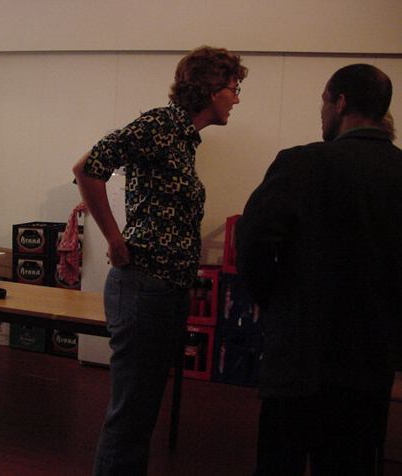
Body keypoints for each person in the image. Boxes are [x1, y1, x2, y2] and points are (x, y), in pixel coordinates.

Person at [72, 46, 248, 475]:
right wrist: (114, 238)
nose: (237, 98)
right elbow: (87, 168)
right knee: (130, 417)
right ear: (210, 88)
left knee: (141, 413)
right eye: (233, 88)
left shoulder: (184, 139)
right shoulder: (159, 125)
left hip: (165, 289)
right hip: (144, 286)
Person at [235, 64, 402, 476]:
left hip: (299, 357)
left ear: (340, 103)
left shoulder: (302, 164)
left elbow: (252, 241)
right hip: (370, 361)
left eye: (324, 102)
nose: (322, 112)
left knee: (280, 463)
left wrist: (273, 300)